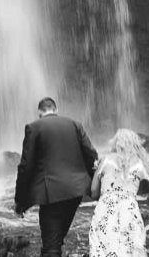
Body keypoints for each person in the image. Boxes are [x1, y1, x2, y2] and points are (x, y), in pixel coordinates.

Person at [15, 97, 99, 257]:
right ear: (56, 110)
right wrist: (95, 186)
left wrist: (20, 201)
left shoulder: (33, 127)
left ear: (39, 113)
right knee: (56, 239)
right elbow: (91, 155)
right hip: (76, 192)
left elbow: (26, 166)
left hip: (51, 193)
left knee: (50, 246)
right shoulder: (75, 124)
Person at [88, 129, 149, 257]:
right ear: (135, 144)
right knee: (131, 248)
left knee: (102, 248)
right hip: (129, 209)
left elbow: (93, 191)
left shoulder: (106, 160)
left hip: (105, 208)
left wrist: (102, 195)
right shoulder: (140, 163)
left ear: (115, 143)